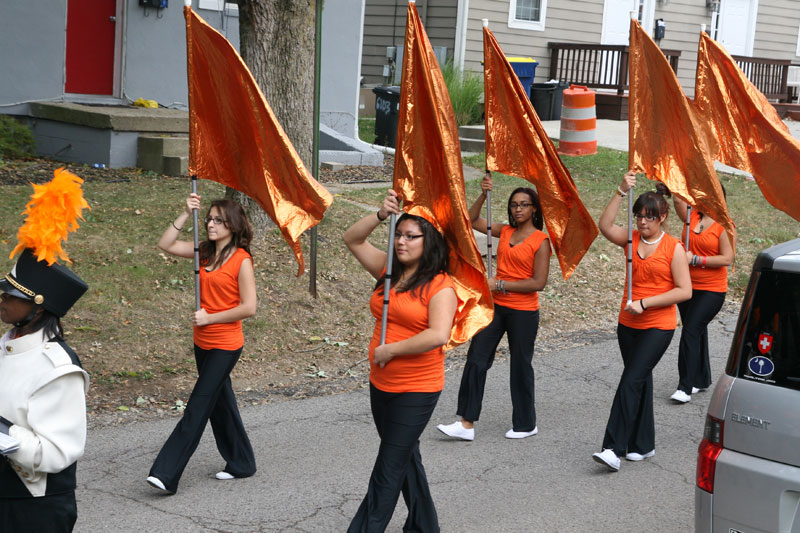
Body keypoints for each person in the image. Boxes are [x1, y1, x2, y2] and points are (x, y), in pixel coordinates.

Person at [343, 189, 458, 533]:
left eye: (411, 236)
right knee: (405, 457)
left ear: (429, 241)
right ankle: (425, 526)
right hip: (382, 384)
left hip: (417, 389)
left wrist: (391, 350)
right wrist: (381, 214)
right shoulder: (387, 271)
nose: (401, 241)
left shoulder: (441, 287)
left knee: (388, 467)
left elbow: (438, 334)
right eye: (398, 234)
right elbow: (351, 239)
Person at [147, 193, 257, 494]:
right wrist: (185, 213)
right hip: (202, 342)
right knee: (221, 404)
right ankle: (242, 462)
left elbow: (249, 307)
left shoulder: (241, 260)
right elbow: (166, 244)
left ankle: (166, 473)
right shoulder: (205, 253)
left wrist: (211, 318)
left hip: (226, 344)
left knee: (198, 407)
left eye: (218, 220)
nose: (210, 224)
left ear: (232, 225)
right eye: (209, 218)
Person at [437, 174, 551, 441]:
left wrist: (499, 284)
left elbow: (539, 282)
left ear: (534, 208)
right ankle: (465, 423)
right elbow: (471, 220)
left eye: (524, 204)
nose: (518, 209)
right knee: (477, 359)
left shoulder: (540, 240)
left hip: (523, 312)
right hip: (495, 309)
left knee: (520, 365)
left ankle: (525, 423)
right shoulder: (505, 231)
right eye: (514, 205)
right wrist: (483, 194)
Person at [592, 172, 691, 471]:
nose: (642, 223)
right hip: (628, 324)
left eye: (649, 217)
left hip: (658, 325)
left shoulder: (673, 247)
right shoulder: (631, 239)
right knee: (640, 380)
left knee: (631, 380)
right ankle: (642, 444)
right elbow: (605, 225)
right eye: (638, 217)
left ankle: (612, 447)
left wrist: (646, 303)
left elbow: (684, 291)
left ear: (662, 216)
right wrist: (621, 190)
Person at [0, 248, 90, 532]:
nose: (2, 299)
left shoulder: (58, 368)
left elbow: (55, 453)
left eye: (12, 296)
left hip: (31, 506)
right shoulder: (7, 348)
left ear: (39, 307)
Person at [669, 193, 733, 403]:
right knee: (696, 330)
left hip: (711, 290)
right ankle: (701, 378)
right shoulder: (692, 215)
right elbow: (678, 200)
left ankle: (685, 387)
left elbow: (727, 258)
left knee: (690, 331)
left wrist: (696, 259)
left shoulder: (724, 225)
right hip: (687, 287)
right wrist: (673, 183)